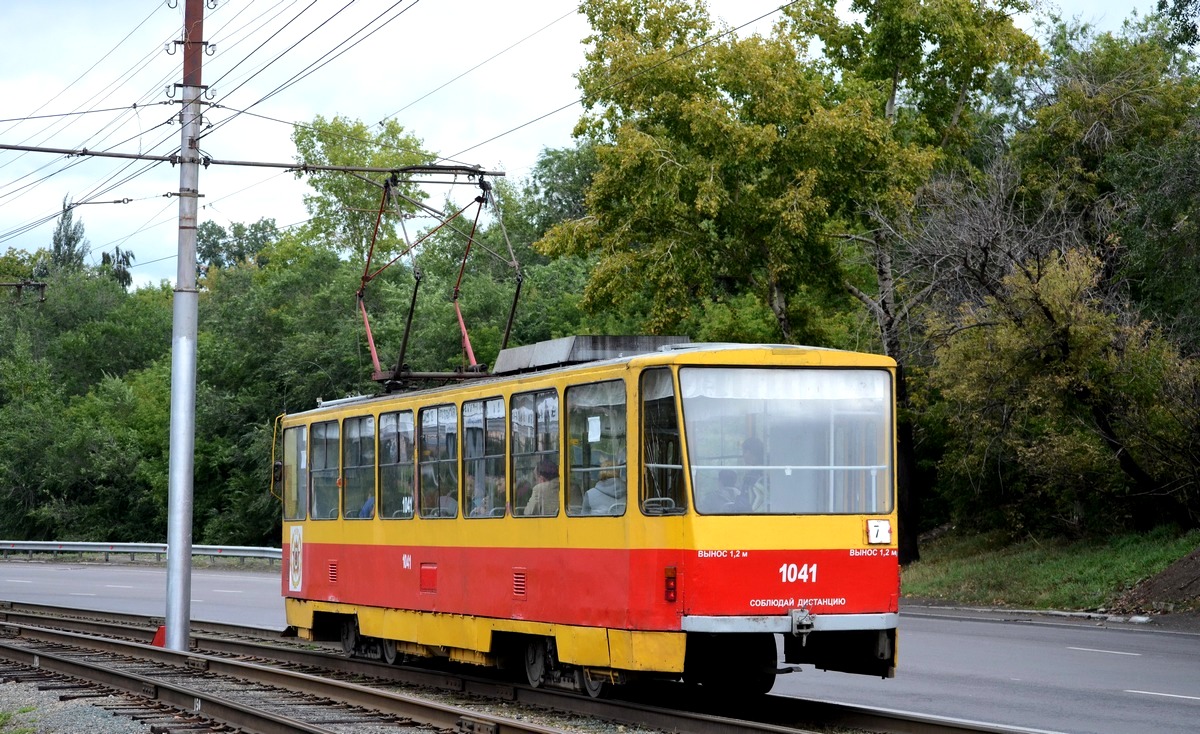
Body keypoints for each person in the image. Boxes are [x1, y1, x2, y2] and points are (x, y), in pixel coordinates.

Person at [739, 437, 767, 512]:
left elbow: (744, 503)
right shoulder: (768, 471)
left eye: (745, 451)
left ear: (752, 452)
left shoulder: (751, 477)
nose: (743, 455)